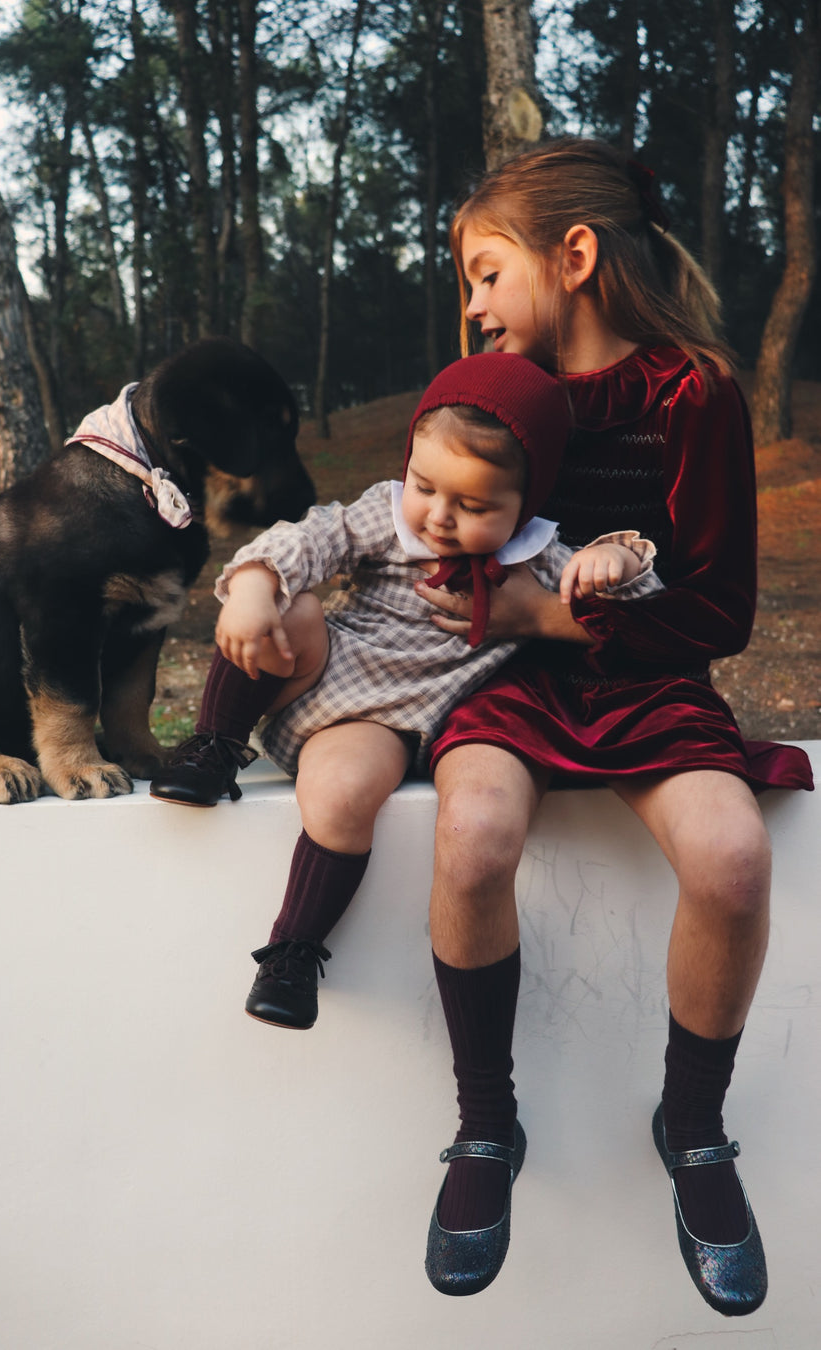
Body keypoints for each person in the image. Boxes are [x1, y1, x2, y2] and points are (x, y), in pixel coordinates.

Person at [411, 138, 814, 1307]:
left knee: (733, 861)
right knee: (473, 834)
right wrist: (499, 606)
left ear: (574, 255)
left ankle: (693, 1126)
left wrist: (567, 616)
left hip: (651, 680)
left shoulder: (694, 389)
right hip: (509, 685)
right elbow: (439, 562)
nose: (474, 307)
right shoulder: (483, 397)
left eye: (487, 273)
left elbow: (721, 608)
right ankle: (487, 1126)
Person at [150, 352, 661, 1032]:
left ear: (526, 503)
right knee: (290, 602)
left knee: (340, 798)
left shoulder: (536, 559)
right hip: (323, 668)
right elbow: (309, 538)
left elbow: (646, 605)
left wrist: (618, 557)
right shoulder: (386, 518)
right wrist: (251, 586)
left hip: (388, 725)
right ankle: (212, 746)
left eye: (474, 505)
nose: (440, 516)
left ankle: (292, 955)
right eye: (425, 486)